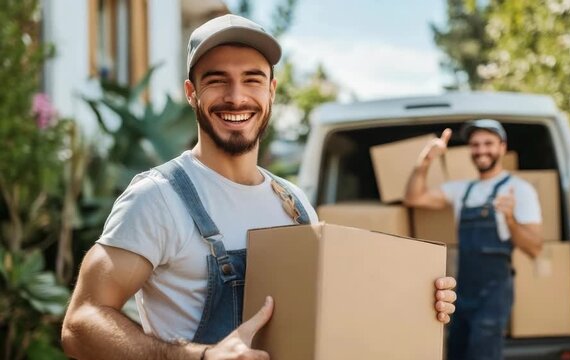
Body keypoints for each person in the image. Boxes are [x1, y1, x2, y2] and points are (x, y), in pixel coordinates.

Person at [61, 14, 457, 360]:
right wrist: (199, 357)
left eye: (252, 79)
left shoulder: (294, 203)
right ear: (190, 93)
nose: (236, 97)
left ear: (271, 90)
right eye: (217, 81)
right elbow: (81, 323)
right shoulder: (158, 197)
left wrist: (414, 301)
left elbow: (330, 309)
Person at [404, 119, 543, 360]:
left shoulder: (519, 190)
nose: (481, 150)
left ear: (502, 147)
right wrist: (426, 160)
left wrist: (510, 219)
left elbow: (534, 248)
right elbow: (414, 198)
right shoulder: (462, 190)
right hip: (462, 291)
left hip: (494, 294)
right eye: (475, 144)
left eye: (488, 143)